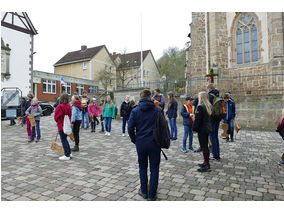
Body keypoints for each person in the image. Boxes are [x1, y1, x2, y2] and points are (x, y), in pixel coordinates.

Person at [128, 89, 161, 201]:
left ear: (140, 97)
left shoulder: (135, 110)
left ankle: (144, 191)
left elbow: (130, 128)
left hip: (141, 142)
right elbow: (163, 127)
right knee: (154, 168)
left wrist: (135, 140)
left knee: (142, 167)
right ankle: (152, 194)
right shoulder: (157, 110)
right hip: (155, 143)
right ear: (150, 96)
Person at [192, 91, 212, 172]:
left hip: (202, 129)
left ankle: (206, 164)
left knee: (204, 147)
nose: (198, 98)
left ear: (201, 97)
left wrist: (194, 129)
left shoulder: (200, 107)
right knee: (205, 146)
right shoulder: (208, 106)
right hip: (206, 128)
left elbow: (197, 120)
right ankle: (205, 162)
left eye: (199, 96)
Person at [54, 93, 72, 161]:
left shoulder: (59, 106)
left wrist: (58, 121)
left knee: (63, 140)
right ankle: (69, 153)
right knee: (66, 139)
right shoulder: (69, 106)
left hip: (61, 125)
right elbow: (70, 115)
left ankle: (67, 154)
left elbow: (56, 117)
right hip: (67, 125)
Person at [207, 84, 222, 161]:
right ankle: (217, 154)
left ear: (209, 89)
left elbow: (208, 108)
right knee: (215, 137)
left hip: (212, 119)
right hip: (218, 118)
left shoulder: (210, 96)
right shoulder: (218, 95)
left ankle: (214, 155)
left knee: (212, 137)